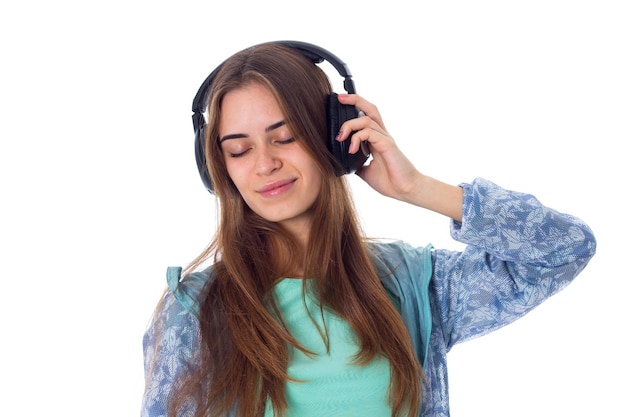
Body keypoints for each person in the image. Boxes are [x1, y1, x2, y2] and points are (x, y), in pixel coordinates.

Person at [140, 41, 596, 417]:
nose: (265, 164)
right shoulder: (194, 312)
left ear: (336, 134)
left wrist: (417, 188)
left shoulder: (413, 285)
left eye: (285, 137)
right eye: (239, 150)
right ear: (218, 168)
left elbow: (564, 249)